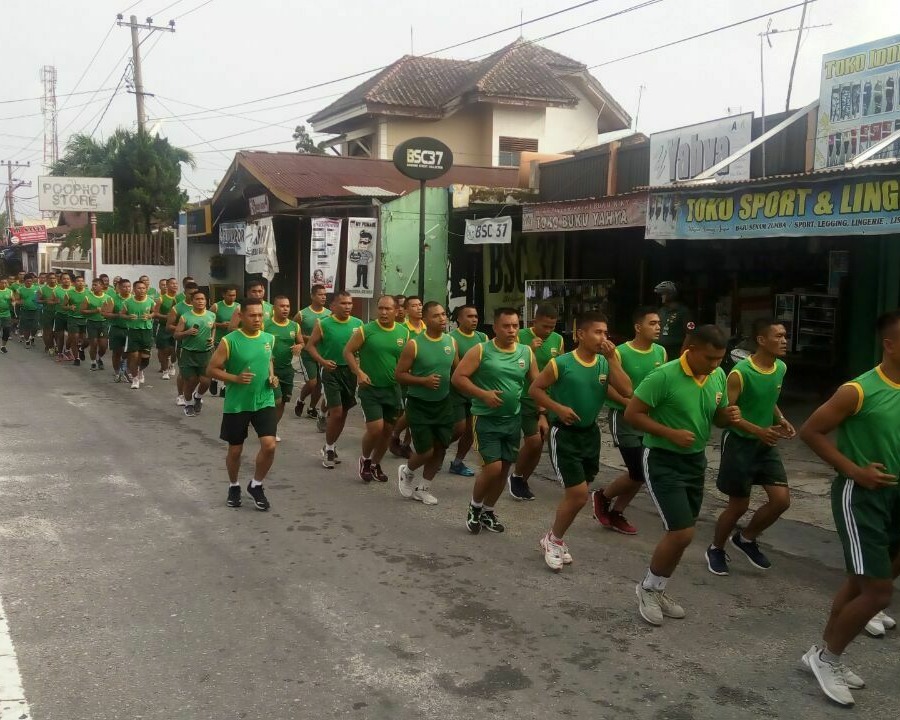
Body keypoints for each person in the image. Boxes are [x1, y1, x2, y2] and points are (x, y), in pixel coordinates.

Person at [798, 310, 900, 707]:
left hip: (896, 497)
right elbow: (811, 431)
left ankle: (823, 652)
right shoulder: (858, 390)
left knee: (863, 583)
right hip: (861, 497)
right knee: (877, 594)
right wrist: (855, 470)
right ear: (889, 345)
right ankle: (828, 658)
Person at [625, 325, 740, 626]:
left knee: (682, 535)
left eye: (720, 359)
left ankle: (658, 588)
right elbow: (632, 414)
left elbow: (716, 415)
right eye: (709, 357)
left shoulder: (717, 376)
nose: (715, 365)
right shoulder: (664, 376)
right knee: (682, 532)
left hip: (695, 461)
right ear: (691, 349)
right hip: (662, 459)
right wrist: (669, 433)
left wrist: (727, 417)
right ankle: (647, 589)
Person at [529, 312, 631, 571]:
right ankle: (554, 539)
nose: (603, 338)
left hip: (590, 434)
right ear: (580, 335)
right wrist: (557, 408)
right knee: (577, 495)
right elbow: (535, 390)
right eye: (597, 332)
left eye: (606, 333)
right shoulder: (561, 363)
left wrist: (612, 360)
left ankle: (555, 538)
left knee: (580, 494)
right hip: (564, 434)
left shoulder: (605, 363)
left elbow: (624, 389)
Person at [706, 319, 795, 576]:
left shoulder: (780, 368)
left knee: (781, 501)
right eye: (778, 336)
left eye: (785, 336)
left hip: (765, 444)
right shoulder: (740, 373)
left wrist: (780, 418)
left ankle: (745, 538)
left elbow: (769, 399)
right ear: (761, 340)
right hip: (740, 443)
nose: (784, 340)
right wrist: (758, 430)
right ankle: (716, 548)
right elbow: (727, 415)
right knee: (739, 505)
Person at [453, 307, 538, 535]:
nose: (511, 330)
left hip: (513, 419)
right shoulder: (481, 350)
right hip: (485, 419)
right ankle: (475, 507)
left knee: (504, 470)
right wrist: (483, 394)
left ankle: (488, 512)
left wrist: (545, 412)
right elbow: (458, 378)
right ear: (495, 328)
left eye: (515, 325)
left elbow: (537, 386)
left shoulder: (526, 352)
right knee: (493, 468)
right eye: (506, 326)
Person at [593, 307, 668, 535]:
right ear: (638, 327)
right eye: (652, 323)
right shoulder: (618, 353)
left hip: (650, 419)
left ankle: (616, 511)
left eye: (659, 323)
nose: (658, 327)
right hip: (624, 418)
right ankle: (602, 496)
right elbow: (607, 387)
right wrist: (631, 406)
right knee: (638, 470)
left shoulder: (661, 352)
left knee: (642, 471)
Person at [207, 298, 279, 511]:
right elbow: (211, 369)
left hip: (264, 400)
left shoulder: (268, 338)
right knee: (236, 451)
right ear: (242, 316)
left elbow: (268, 361)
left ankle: (256, 485)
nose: (257, 319)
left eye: (260, 315)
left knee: (270, 445)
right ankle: (234, 485)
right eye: (252, 315)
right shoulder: (230, 341)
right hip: (237, 404)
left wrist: (272, 377)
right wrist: (235, 379)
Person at [396, 301, 457, 504]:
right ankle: (407, 471)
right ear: (425, 320)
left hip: (443, 403)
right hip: (419, 403)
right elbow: (400, 375)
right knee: (426, 451)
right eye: (436, 316)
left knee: (440, 448)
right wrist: (423, 381)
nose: (441, 319)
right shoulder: (414, 344)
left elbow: (457, 372)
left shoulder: (450, 342)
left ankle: (424, 488)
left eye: (443, 314)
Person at [342, 295, 408, 483]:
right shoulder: (366, 330)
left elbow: (405, 359)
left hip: (392, 389)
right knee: (375, 429)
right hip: (369, 388)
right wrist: (359, 373)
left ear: (396, 311)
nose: (383, 312)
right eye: (380, 308)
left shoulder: (403, 333)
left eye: (388, 309)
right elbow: (347, 351)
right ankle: (365, 459)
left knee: (388, 430)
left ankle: (375, 463)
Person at [509, 303, 564, 500]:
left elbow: (560, 368)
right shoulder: (519, 336)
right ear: (535, 322)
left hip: (547, 399)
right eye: (544, 327)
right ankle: (515, 476)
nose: (548, 331)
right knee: (532, 441)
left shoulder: (558, 340)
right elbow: (507, 363)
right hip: (523, 396)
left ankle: (522, 480)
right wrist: (528, 350)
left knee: (539, 442)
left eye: (552, 327)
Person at [305, 291, 363, 469]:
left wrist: (360, 369)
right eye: (343, 303)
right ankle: (329, 449)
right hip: (331, 372)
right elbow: (310, 346)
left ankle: (330, 445)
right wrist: (322, 361)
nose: (347, 307)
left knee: (343, 412)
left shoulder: (358, 324)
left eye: (350, 303)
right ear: (333, 306)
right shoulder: (324, 324)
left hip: (350, 373)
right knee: (336, 412)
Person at [448, 305, 488, 476]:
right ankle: (436, 449)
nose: (474, 319)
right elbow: (457, 368)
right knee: (458, 428)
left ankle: (457, 462)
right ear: (459, 319)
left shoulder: (483, 337)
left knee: (471, 431)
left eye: (476, 316)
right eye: (469, 316)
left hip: (476, 391)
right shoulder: (451, 338)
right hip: (457, 391)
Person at [389, 295, 425, 458]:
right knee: (408, 412)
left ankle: (405, 443)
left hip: (423, 377)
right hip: (406, 378)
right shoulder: (402, 330)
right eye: (414, 305)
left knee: (415, 412)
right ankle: (394, 436)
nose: (419, 308)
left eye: (420, 305)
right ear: (407, 310)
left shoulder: (428, 328)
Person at [264, 296, 303, 438]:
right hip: (270, 369)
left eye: (287, 306)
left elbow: (301, 342)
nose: (285, 309)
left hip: (288, 370)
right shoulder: (265, 325)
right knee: (277, 399)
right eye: (281, 306)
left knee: (282, 403)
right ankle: (266, 428)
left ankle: (272, 430)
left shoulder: (294, 326)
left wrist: (299, 346)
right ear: (274, 308)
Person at [173, 289, 217, 417]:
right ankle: (188, 404)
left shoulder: (211, 315)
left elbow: (213, 327)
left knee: (205, 381)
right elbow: (176, 335)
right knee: (191, 380)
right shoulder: (185, 317)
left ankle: (198, 397)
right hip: (188, 353)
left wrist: (213, 338)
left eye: (202, 299)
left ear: (206, 301)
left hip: (206, 353)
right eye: (197, 299)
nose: (200, 301)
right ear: (192, 302)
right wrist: (187, 332)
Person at [293, 285, 330, 419]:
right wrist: (311, 338)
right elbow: (294, 333)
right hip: (308, 354)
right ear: (313, 296)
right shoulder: (302, 314)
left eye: (325, 294)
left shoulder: (329, 314)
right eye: (320, 294)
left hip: (323, 354)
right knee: (312, 382)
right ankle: (301, 400)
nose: (323, 297)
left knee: (320, 385)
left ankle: (312, 408)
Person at [168, 282, 200, 406]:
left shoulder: (202, 307)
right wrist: (184, 329)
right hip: (183, 343)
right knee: (183, 371)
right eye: (191, 294)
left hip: (199, 344)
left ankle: (190, 392)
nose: (194, 296)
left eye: (196, 293)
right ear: (185, 293)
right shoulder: (178, 308)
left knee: (198, 373)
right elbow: (169, 325)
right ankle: (180, 395)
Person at [121, 280, 156, 390]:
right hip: (133, 331)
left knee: (145, 358)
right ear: (134, 290)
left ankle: (140, 370)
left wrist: (150, 316)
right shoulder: (128, 302)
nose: (141, 290)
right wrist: (128, 317)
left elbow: (155, 312)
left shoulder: (150, 301)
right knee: (134, 356)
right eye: (139, 288)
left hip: (146, 331)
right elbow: (121, 314)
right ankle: (135, 379)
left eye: (143, 288)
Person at [210, 286, 241, 396]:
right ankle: (214, 379)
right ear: (224, 295)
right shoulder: (216, 306)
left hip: (232, 340)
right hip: (219, 339)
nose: (232, 297)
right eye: (230, 295)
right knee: (220, 364)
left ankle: (223, 387)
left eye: (234, 295)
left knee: (229, 364)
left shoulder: (238, 307)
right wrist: (220, 324)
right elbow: (208, 321)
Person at [654, 281, 694, 361]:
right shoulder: (661, 311)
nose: (662, 297)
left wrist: (682, 352)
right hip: (659, 349)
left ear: (670, 295)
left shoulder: (684, 312)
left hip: (675, 350)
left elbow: (690, 334)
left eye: (663, 294)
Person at [80, 278, 110, 370]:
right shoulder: (88, 297)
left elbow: (110, 311)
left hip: (103, 323)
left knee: (103, 346)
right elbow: (82, 311)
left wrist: (107, 313)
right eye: (93, 285)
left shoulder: (107, 298)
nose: (93, 287)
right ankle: (93, 362)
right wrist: (95, 311)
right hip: (92, 323)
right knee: (94, 343)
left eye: (96, 285)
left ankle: (99, 357)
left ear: (102, 286)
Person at [106, 278, 132, 381]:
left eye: (129, 287)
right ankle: (117, 372)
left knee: (130, 352)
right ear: (119, 288)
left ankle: (127, 371)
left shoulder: (134, 299)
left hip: (130, 329)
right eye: (124, 287)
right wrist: (119, 315)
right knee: (117, 352)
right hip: (116, 328)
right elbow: (107, 314)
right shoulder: (113, 299)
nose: (127, 289)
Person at [153, 278, 179, 379]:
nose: (175, 285)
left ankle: (172, 364)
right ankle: (165, 371)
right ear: (167, 285)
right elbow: (155, 313)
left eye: (176, 283)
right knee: (164, 350)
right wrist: (166, 317)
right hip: (164, 327)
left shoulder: (179, 298)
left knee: (174, 350)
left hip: (176, 328)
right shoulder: (162, 298)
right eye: (172, 283)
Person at [62, 276, 88, 366]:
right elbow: (63, 306)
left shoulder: (88, 293)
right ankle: (76, 358)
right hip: (73, 318)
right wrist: (69, 307)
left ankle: (81, 349)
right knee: (75, 338)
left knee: (86, 340)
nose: (80, 282)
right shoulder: (69, 293)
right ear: (74, 283)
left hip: (85, 319)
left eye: (82, 281)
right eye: (78, 281)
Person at [13, 273, 40, 349]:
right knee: (26, 327)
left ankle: (32, 337)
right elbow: (17, 300)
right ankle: (27, 340)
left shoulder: (37, 288)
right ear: (24, 281)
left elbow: (39, 298)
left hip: (35, 310)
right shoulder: (20, 289)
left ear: (32, 281)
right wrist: (20, 302)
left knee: (35, 327)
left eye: (30, 281)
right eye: (27, 281)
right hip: (25, 311)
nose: (29, 282)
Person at [38, 272, 61, 356]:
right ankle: (50, 346)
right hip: (47, 313)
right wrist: (45, 301)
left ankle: (57, 347)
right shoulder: (42, 289)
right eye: (50, 278)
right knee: (48, 331)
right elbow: (38, 300)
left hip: (59, 313)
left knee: (58, 332)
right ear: (47, 280)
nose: (53, 280)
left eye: (54, 278)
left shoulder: (60, 288)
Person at [53, 273, 73, 360]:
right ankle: (60, 353)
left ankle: (67, 350)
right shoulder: (56, 290)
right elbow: (50, 301)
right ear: (60, 280)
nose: (66, 280)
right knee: (60, 336)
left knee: (72, 335)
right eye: (64, 279)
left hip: (71, 316)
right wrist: (55, 302)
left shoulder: (74, 290)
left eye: (68, 279)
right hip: (60, 315)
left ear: (70, 280)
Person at [0, 277, 12, 353]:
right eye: (2, 283)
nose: (4, 284)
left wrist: (13, 302)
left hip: (6, 314)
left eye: (5, 283)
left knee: (7, 331)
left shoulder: (9, 291)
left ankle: (3, 346)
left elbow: (13, 299)